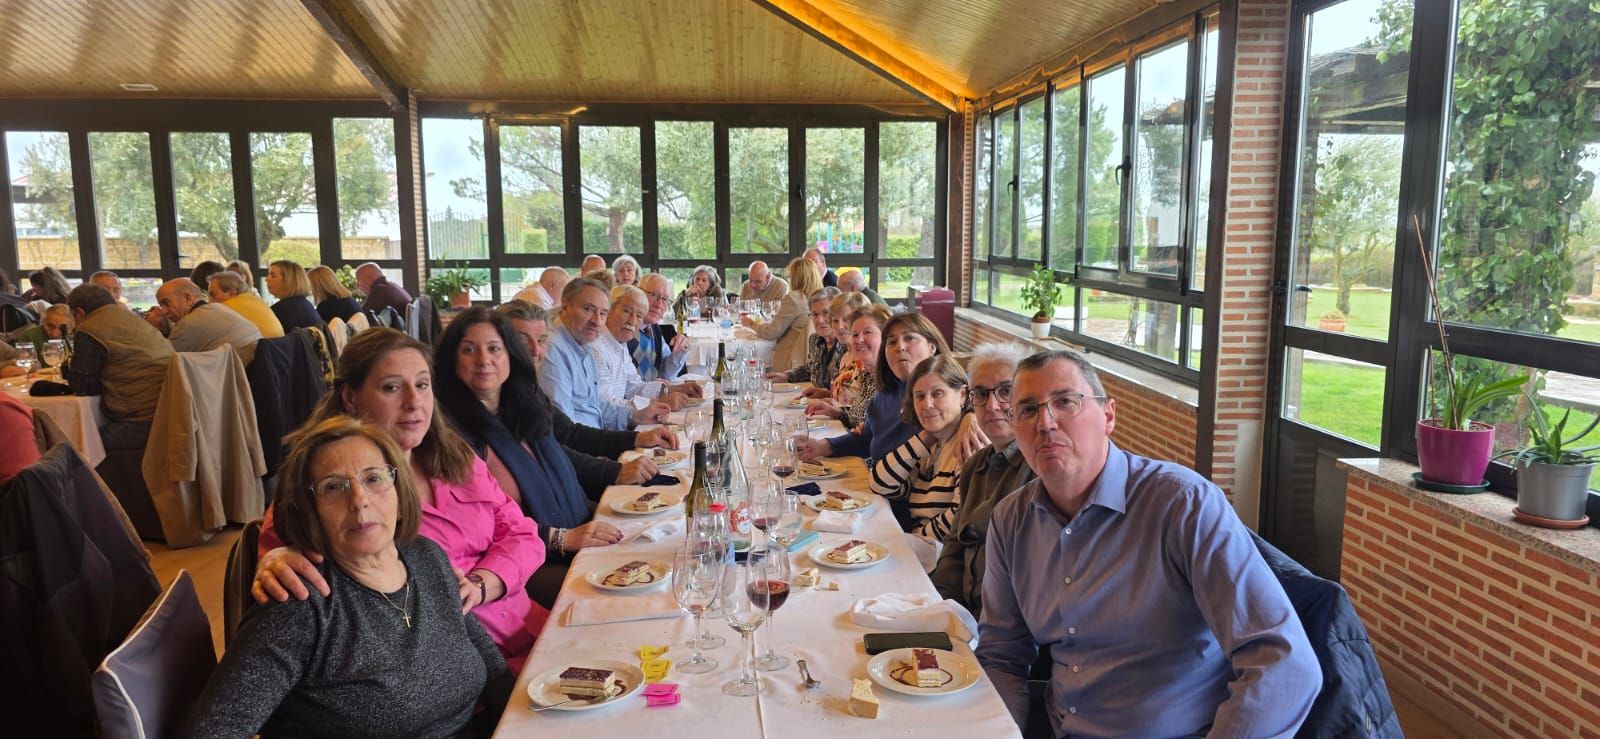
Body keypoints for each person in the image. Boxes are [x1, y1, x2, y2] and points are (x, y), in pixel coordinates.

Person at [977, 349, 1320, 737]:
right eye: (1026, 409)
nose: (1046, 422)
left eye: (1065, 402)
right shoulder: (1011, 520)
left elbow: (1282, 661)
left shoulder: (1183, 505)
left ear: (1108, 416)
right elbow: (1002, 656)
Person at [187, 417, 512, 737]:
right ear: (310, 511)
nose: (359, 500)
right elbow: (212, 730)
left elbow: (494, 671)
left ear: (399, 493)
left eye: (373, 479)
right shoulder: (299, 602)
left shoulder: (427, 558)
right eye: (334, 487)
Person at [252, 329, 549, 664]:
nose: (414, 402)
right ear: (350, 397)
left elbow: (523, 533)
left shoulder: (456, 458)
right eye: (391, 387)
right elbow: (284, 569)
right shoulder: (324, 485)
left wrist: (486, 583)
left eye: (422, 385)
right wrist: (274, 557)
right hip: (461, 672)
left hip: (533, 633)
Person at [434, 307, 626, 608]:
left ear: (509, 355)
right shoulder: (450, 433)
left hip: (570, 541)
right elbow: (480, 529)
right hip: (523, 569)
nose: (484, 360)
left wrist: (606, 509)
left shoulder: (524, 404)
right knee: (610, 598)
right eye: (469, 350)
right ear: (451, 359)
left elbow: (566, 472)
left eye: (494, 348)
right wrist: (562, 537)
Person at [496, 300, 674, 492]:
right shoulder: (503, 401)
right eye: (522, 340)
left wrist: (637, 437)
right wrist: (613, 471)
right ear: (565, 308)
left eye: (540, 340)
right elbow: (551, 452)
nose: (534, 350)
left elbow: (570, 432)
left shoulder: (527, 389)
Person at [930, 342, 1035, 617]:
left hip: (1002, 626)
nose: (992, 405)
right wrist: (942, 610)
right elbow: (953, 550)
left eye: (1005, 391)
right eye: (981, 393)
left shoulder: (1038, 469)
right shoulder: (975, 466)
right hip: (962, 615)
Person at [800, 311, 985, 465]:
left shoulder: (952, 392)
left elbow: (983, 399)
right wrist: (822, 446)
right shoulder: (882, 398)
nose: (900, 347)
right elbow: (866, 440)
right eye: (892, 342)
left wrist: (971, 415)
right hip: (885, 492)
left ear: (932, 347)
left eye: (909, 338)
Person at [869, 354, 977, 544]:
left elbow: (960, 515)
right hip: (918, 546)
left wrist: (912, 542)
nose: (927, 404)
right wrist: (925, 437)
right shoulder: (930, 444)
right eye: (920, 396)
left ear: (962, 394)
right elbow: (880, 484)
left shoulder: (969, 443)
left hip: (939, 558)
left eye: (937, 394)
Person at [539, 278, 669, 431]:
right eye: (588, 309)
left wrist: (635, 415)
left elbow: (596, 406)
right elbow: (564, 431)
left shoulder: (583, 342)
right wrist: (629, 440)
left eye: (602, 313)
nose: (597, 321)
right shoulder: (553, 350)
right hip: (584, 447)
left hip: (596, 437)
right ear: (566, 307)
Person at [64, 284, 173, 451]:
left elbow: (84, 387)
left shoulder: (90, 328)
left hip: (142, 423)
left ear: (78, 313)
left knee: (77, 444)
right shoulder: (134, 319)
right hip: (171, 413)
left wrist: (67, 369)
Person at [593, 286, 697, 412]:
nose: (632, 321)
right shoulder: (596, 348)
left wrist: (671, 389)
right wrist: (656, 403)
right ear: (608, 310)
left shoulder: (619, 343)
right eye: (626, 311)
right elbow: (604, 405)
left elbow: (634, 387)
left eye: (639, 316)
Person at [804, 302, 885, 427]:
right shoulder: (868, 374)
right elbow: (859, 417)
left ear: (885, 336)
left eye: (867, 332)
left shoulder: (889, 378)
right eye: (855, 334)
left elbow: (873, 431)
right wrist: (837, 413)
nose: (859, 340)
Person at [156, 278, 262, 362]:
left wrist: (153, 330)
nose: (164, 311)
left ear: (188, 298)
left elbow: (161, 361)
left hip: (238, 381)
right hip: (261, 376)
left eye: (166, 303)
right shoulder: (220, 308)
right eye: (161, 306)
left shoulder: (187, 324)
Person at [742, 257, 817, 373]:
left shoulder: (794, 299)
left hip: (788, 360)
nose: (789, 279)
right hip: (807, 357)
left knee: (746, 361)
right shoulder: (817, 297)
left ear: (796, 278)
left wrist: (751, 324)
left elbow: (770, 333)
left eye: (790, 276)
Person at [767, 287, 844, 388]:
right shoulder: (815, 340)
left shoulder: (847, 344)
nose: (820, 320)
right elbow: (811, 369)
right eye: (815, 314)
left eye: (826, 313)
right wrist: (786, 376)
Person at [632, 273, 689, 381]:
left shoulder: (654, 329)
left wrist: (678, 353)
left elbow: (665, 375)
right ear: (638, 292)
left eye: (665, 299)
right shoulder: (625, 331)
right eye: (653, 294)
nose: (659, 305)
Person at [208, 270, 285, 339]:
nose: (209, 300)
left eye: (213, 294)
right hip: (280, 351)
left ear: (232, 293)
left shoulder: (226, 309)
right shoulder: (255, 300)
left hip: (260, 352)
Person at [265, 260, 327, 333]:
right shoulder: (305, 304)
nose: (267, 279)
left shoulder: (281, 310)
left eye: (273, 276)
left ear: (289, 281)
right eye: (268, 275)